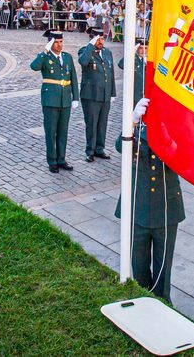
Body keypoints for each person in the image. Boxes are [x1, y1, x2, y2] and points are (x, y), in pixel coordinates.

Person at [113, 97, 185, 302]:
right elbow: (122, 147)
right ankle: (143, 301)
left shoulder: (175, 130)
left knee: (163, 267)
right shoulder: (138, 129)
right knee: (139, 264)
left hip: (166, 208)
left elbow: (182, 160)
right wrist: (132, 121)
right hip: (138, 207)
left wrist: (168, 137)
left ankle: (162, 303)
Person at [30, 30, 80, 173]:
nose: (59, 45)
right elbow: (34, 67)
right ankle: (52, 161)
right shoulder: (45, 57)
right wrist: (45, 51)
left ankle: (61, 159)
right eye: (56, 42)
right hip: (50, 100)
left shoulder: (67, 57)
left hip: (65, 100)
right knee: (51, 132)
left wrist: (75, 97)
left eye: (61, 42)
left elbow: (73, 79)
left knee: (63, 131)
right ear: (50, 43)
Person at [78, 28, 115, 162]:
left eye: (101, 39)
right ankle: (90, 150)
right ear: (92, 39)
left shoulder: (107, 52)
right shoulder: (85, 51)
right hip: (91, 95)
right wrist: (90, 46)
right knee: (92, 123)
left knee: (102, 123)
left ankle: (100, 148)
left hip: (104, 94)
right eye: (97, 39)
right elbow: (83, 62)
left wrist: (112, 93)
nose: (100, 41)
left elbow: (111, 73)